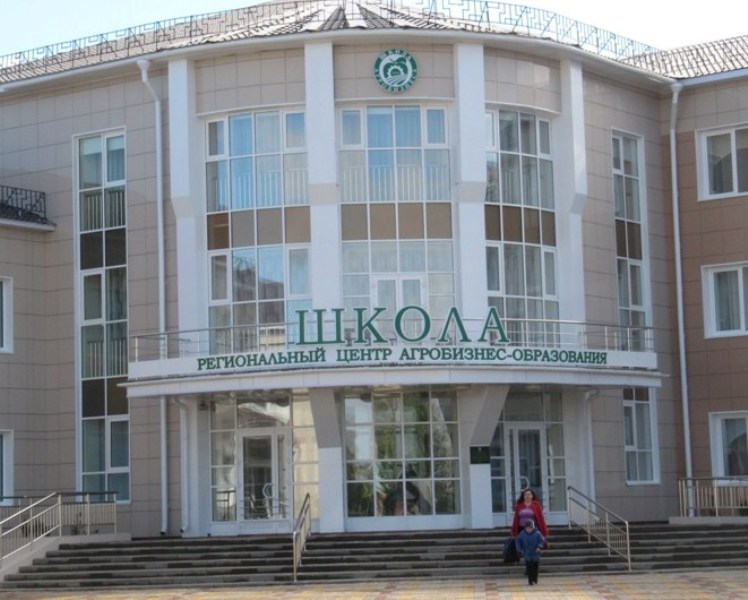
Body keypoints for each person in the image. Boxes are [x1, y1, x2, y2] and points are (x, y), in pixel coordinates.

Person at [515, 519, 545, 585]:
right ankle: (530, 580)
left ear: (533, 527)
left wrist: (539, 547)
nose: (529, 529)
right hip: (527, 552)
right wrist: (519, 550)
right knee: (529, 567)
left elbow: (541, 541)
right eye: (527, 528)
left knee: (535, 567)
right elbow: (518, 542)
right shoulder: (522, 534)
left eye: (530, 528)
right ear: (525, 528)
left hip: (535, 552)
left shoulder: (537, 533)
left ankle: (535, 578)